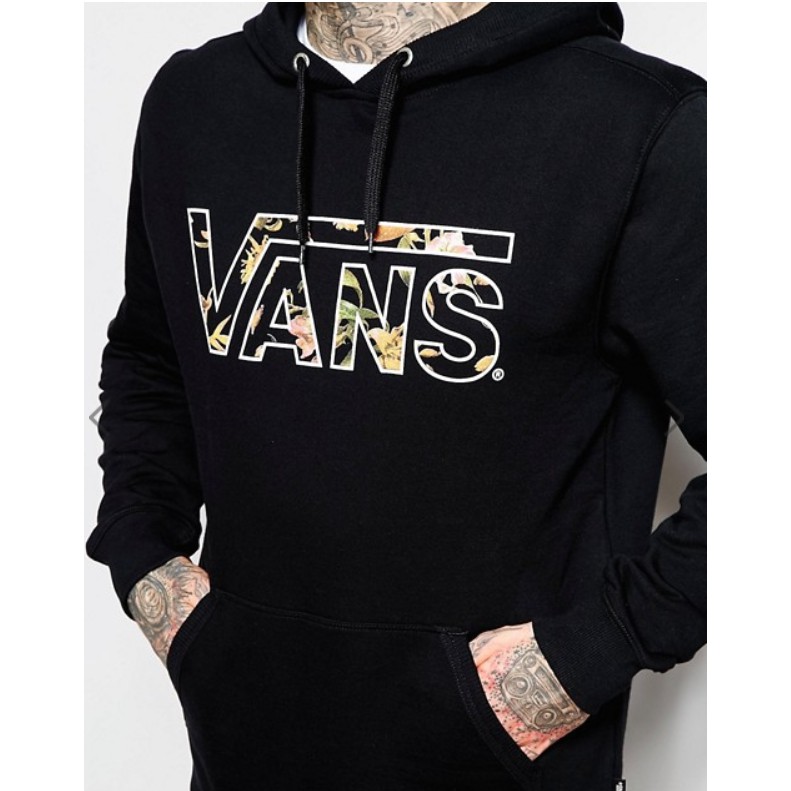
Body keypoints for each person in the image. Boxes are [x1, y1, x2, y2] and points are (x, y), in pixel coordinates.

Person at [85, 3, 706, 789]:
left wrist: (586, 652)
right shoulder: (194, 99)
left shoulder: (640, 123)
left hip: (500, 768)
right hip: (239, 755)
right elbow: (150, 355)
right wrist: (147, 565)